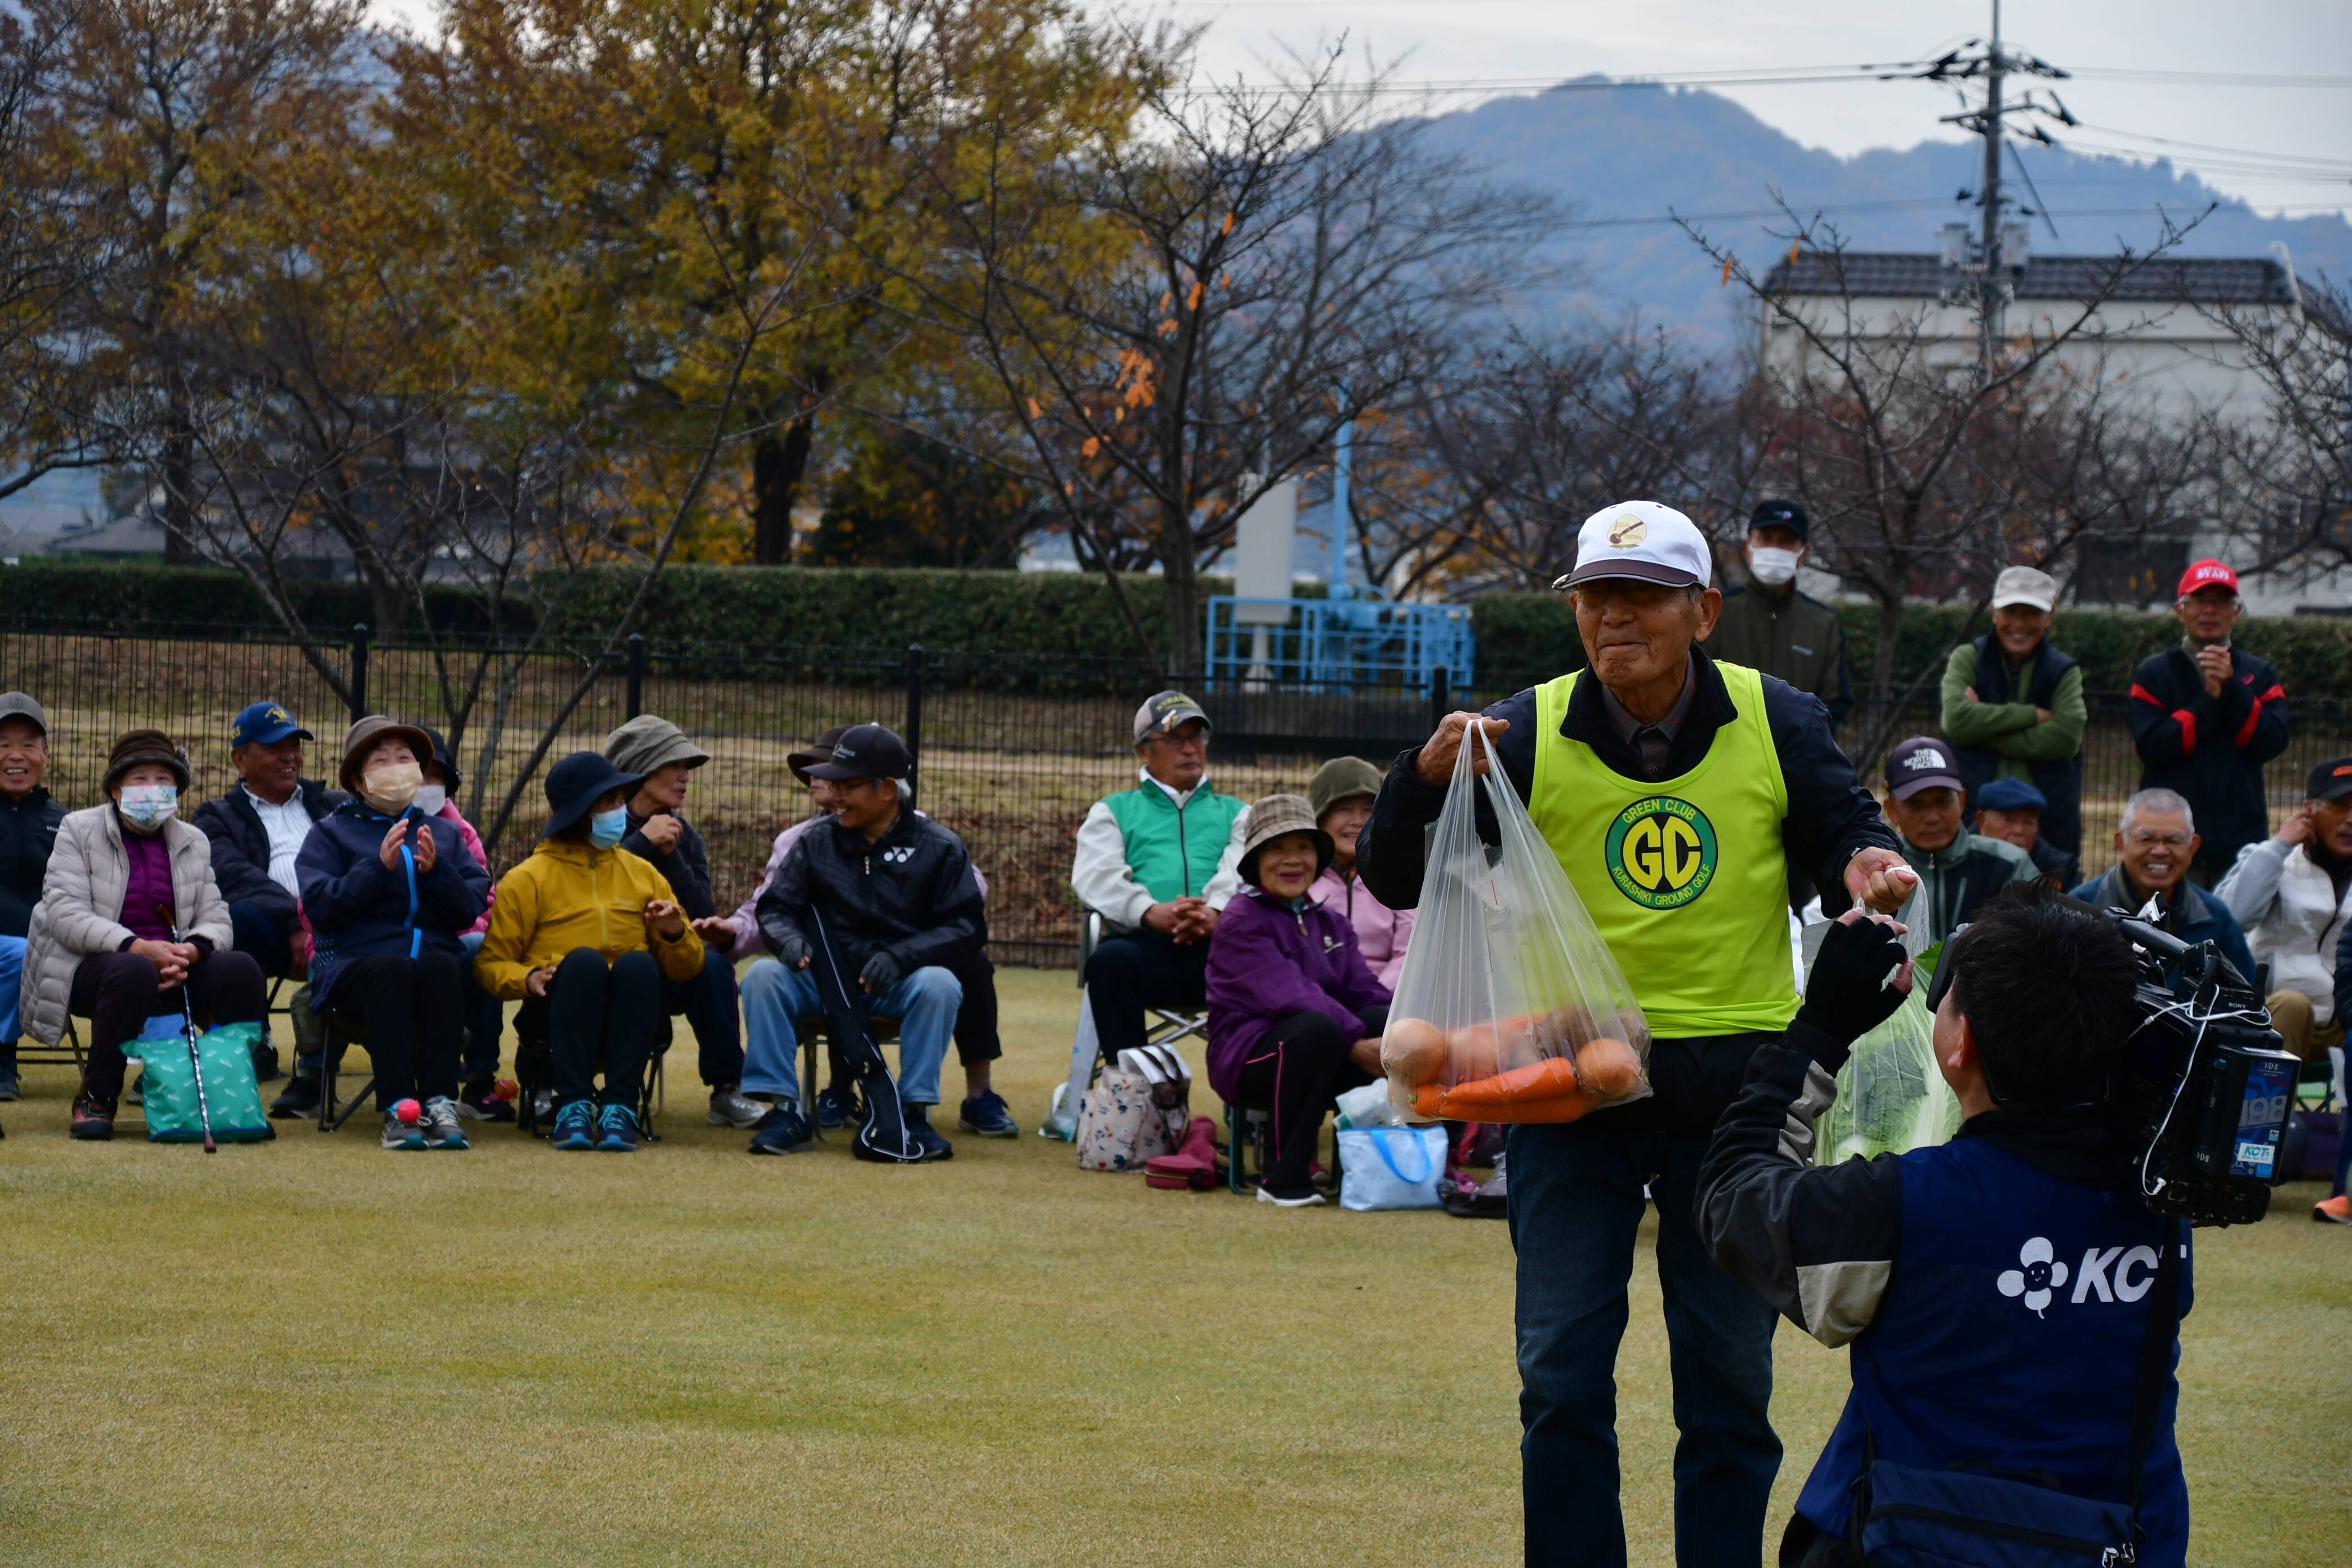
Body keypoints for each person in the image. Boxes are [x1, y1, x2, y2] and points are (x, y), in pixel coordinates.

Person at [1357, 500, 1914, 1567]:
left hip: (1735, 1095)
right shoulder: (1521, 728)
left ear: (1703, 610)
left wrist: (1869, 863)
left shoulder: (1777, 715)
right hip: (1569, 1084)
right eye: (1595, 596)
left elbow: (1850, 825)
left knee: (1729, 1385)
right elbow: (1391, 876)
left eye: (1644, 596)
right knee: (1559, 1372)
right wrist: (1415, 778)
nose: (1615, 617)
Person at [1695, 888, 2192, 1568]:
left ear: (1960, 1044)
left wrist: (1817, 1031)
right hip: (2123, 1541)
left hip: (1916, 1544)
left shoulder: (1905, 1203)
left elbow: (1734, 1196)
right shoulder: (2162, 1204)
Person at [705, 724, 1017, 1140]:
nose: (834, 797)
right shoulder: (815, 841)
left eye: (847, 787)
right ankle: (786, 1112)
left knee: (940, 982)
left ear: (887, 789)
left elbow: (966, 925)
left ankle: (913, 1113)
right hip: (822, 978)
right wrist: (788, 938)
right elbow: (777, 906)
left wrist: (902, 956)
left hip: (899, 982)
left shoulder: (939, 845)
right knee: (763, 976)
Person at [19, 729, 268, 1141]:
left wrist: (191, 951)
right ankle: (98, 1097)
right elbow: (64, 913)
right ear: (116, 788)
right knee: (133, 971)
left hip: (178, 967)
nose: (152, 788)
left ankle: (231, 1095)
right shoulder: (77, 830)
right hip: (97, 970)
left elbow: (218, 917)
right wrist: (135, 947)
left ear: (177, 788)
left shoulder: (194, 841)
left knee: (240, 968)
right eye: (139, 779)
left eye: (162, 779)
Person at [473, 751, 706, 1152]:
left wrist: (673, 933)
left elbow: (687, 968)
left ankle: (621, 1106)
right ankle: (572, 1104)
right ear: (579, 812)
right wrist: (528, 979)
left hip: (633, 1016)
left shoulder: (643, 873)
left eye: (620, 800)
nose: (620, 811)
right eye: (608, 803)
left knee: (637, 964)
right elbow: (490, 966)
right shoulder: (527, 879)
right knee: (582, 963)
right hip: (554, 1017)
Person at [296, 718, 491, 1151]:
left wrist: (437, 870)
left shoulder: (443, 832)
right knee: (392, 969)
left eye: (405, 759)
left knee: (442, 964)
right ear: (359, 781)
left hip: (431, 965)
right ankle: (399, 1108)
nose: (395, 768)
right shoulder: (330, 832)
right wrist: (376, 870)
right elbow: (320, 907)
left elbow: (471, 906)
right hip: (353, 969)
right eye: (381, 760)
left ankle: (440, 1102)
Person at [1206, 794, 1391, 1207]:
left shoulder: (1329, 921)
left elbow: (1364, 989)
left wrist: (1414, 1027)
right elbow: (1291, 996)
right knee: (1317, 1029)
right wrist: (1357, 1047)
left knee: (1386, 1022)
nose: (1292, 861)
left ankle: (1395, 1167)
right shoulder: (1240, 920)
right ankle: (1283, 1175)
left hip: (1320, 1046)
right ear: (1255, 859)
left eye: (1303, 848)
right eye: (1278, 849)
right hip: (1248, 1058)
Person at [601, 715, 761, 1131]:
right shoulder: (596, 824)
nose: (684, 775)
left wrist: (668, 852)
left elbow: (702, 913)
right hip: (602, 963)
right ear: (640, 768)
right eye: (673, 764)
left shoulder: (685, 835)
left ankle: (727, 1089)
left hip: (667, 965)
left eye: (687, 766)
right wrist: (641, 844)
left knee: (711, 965)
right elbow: (591, 888)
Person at [1072, 691, 1245, 1063]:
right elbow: (1096, 876)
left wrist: (1214, 912)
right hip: (1144, 949)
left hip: (1223, 951)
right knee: (1108, 962)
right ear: (1143, 751)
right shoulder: (1113, 810)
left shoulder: (1237, 814)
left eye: (1196, 737)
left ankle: (1255, 1102)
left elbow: (1241, 869)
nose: (1189, 749)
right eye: (1174, 739)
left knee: (1269, 962)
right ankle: (1134, 1095)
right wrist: (1150, 911)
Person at [190, 700, 343, 1106]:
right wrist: (296, 921)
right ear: (240, 760)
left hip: (342, 920)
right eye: (274, 748)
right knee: (236, 918)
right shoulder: (215, 816)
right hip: (273, 931)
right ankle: (255, 1043)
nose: (289, 757)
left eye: (294, 746)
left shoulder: (334, 805)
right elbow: (233, 875)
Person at [2128, 560, 2289, 885]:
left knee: (2233, 933)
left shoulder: (2261, 673)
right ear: (2179, 610)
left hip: (2241, 839)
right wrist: (2209, 702)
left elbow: (2270, 742)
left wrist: (2232, 688)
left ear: (2237, 611)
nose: (2210, 610)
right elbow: (2153, 747)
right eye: (2200, 601)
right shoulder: (2154, 673)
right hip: (2169, 840)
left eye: (2221, 602)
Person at [1940, 565, 2086, 881]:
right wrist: (2032, 715)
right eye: (2011, 611)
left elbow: (2066, 736)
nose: (2019, 624)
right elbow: (1956, 720)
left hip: (2049, 822)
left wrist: (1983, 727)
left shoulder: (2066, 670)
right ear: (1994, 613)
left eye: (2031, 613)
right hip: (1973, 815)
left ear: (2049, 616)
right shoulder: (1966, 657)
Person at [2215, 758, 2352, 1071]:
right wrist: (2278, 846)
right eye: (2339, 807)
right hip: (2274, 1019)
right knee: (2293, 1005)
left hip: (2343, 1024)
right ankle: (2267, 1118)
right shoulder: (2274, 860)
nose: (2351, 819)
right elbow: (2231, 920)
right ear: (2309, 810)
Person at [412, 725, 511, 1121]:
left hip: (453, 941)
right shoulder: (362, 824)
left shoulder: (463, 833)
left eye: (434, 775)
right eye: (417, 771)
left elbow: (482, 902)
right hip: (390, 942)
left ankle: (481, 1076)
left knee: (481, 948)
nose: (425, 783)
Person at [2068, 789, 2256, 984]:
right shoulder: (2080, 910)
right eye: (2146, 839)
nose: (2160, 851)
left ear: (2193, 847)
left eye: (2173, 841)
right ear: (2121, 844)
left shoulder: (2215, 918)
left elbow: (2246, 1001)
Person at [1702, 498, 1851, 728]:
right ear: (1747, 546)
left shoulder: (1824, 624)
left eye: (1786, 542)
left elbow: (1835, 703)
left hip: (1796, 760)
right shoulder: (1715, 613)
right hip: (1726, 755)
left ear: (1804, 553)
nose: (1775, 549)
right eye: (1767, 539)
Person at [1878, 736, 2039, 946]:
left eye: (1942, 801)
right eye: (1916, 805)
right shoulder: (1880, 872)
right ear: (1892, 810)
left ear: (1961, 801)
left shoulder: (2010, 864)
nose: (1932, 817)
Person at [0, 692, 63, 1103]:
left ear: (45, 754)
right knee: (19, 953)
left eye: (27, 744)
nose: (15, 756)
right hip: (20, 946)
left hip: (55, 945)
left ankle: (148, 1062)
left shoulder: (66, 823)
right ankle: (2, 1056)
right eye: (3, 745)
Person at [1304, 756, 1413, 988]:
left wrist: (1376, 995)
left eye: (1368, 810)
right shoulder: (1299, 876)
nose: (1357, 821)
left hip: (1386, 1000)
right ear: (1320, 818)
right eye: (1343, 810)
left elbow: (1411, 950)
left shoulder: (1398, 876)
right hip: (1316, 999)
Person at [1970, 776, 2070, 888]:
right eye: (2009, 820)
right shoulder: (1960, 858)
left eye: (2029, 823)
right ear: (1982, 821)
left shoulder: (2057, 867)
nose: (2019, 831)